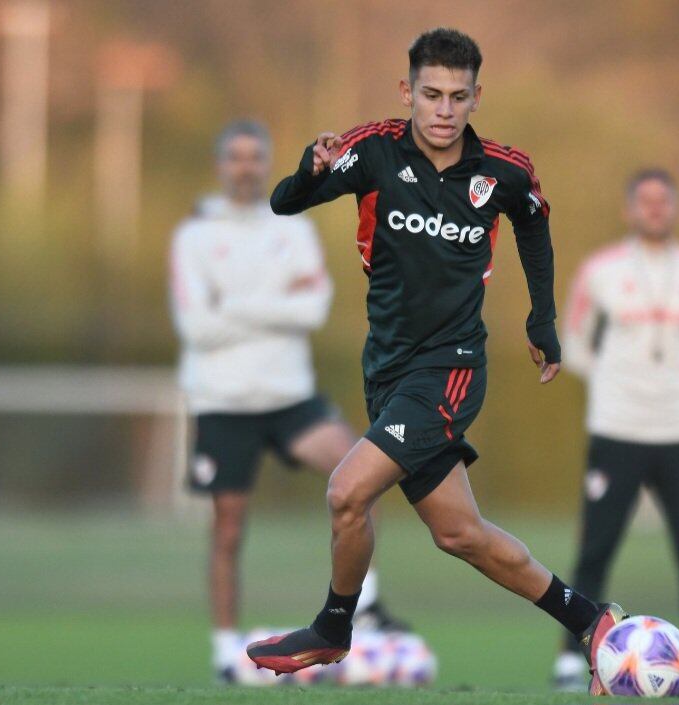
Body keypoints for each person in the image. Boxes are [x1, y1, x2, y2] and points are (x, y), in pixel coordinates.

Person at [245, 29, 626, 695]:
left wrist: (542, 317)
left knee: (346, 489)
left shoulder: (503, 171)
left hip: (448, 369)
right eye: (431, 94)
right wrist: (310, 168)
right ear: (408, 92)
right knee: (459, 532)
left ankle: (334, 627)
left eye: (457, 96)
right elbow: (284, 203)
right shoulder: (372, 152)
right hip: (387, 368)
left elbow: (535, 223)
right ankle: (593, 622)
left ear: (476, 96)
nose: (444, 108)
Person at [169, 119, 407, 683]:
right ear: (221, 164)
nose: (247, 166)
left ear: (267, 161)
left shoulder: (292, 227)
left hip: (289, 394)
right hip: (222, 398)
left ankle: (362, 605)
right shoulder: (194, 236)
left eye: (257, 157)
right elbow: (197, 326)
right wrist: (275, 300)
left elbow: (314, 309)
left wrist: (236, 303)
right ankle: (226, 648)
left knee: (360, 474)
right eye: (236, 157)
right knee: (228, 529)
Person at [553, 168, 679, 691]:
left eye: (663, 201)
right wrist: (614, 380)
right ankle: (571, 656)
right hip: (617, 430)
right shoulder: (600, 270)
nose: (654, 209)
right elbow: (575, 339)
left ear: (674, 208)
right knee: (595, 550)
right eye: (644, 201)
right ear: (629, 209)